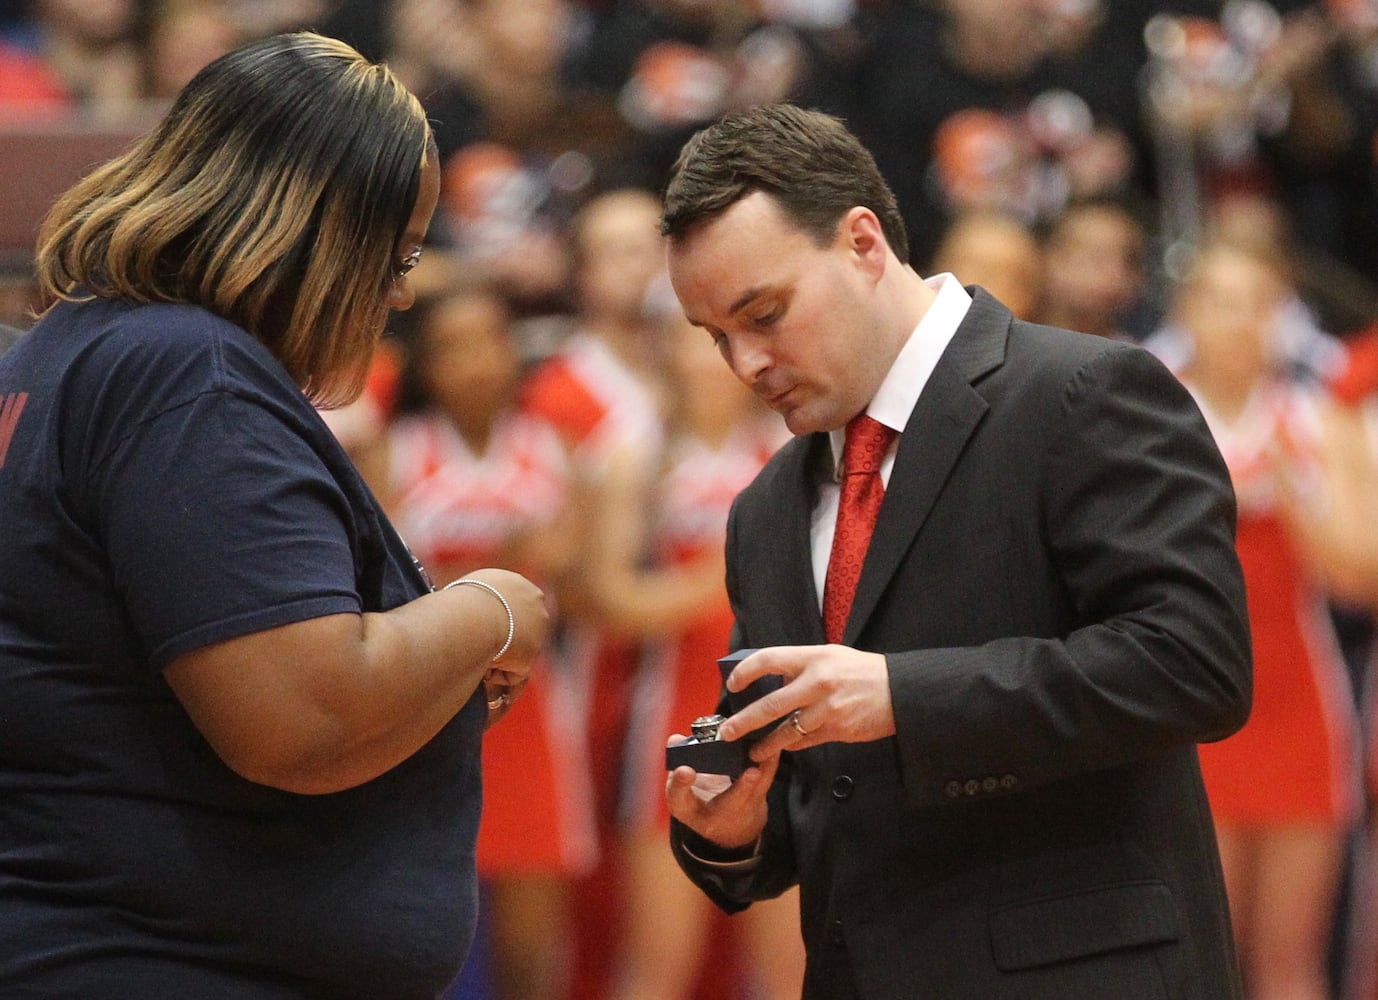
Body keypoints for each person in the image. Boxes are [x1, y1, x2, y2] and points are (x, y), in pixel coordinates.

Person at [658, 103, 1252, 999]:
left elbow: (1194, 666)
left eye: (765, 314)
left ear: (863, 243)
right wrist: (732, 828)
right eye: (716, 337)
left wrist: (903, 695)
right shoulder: (765, 510)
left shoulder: (1084, 391)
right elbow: (816, 805)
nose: (745, 364)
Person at [0, 32, 548, 999]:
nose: (403, 287)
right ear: (316, 228)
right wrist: (492, 610)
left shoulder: (75, 350)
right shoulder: (186, 374)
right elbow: (301, 718)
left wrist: (426, 680)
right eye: (400, 248)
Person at [1166, 239, 1359, 1000]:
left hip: (1300, 706)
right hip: (1188, 709)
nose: (1238, 321)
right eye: (1219, 299)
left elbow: (1358, 577)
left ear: (1280, 318)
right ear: (1187, 313)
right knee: (1200, 966)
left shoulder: (1314, 418)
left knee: (1289, 964)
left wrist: (1294, 488)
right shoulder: (1154, 413)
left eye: (1256, 303)